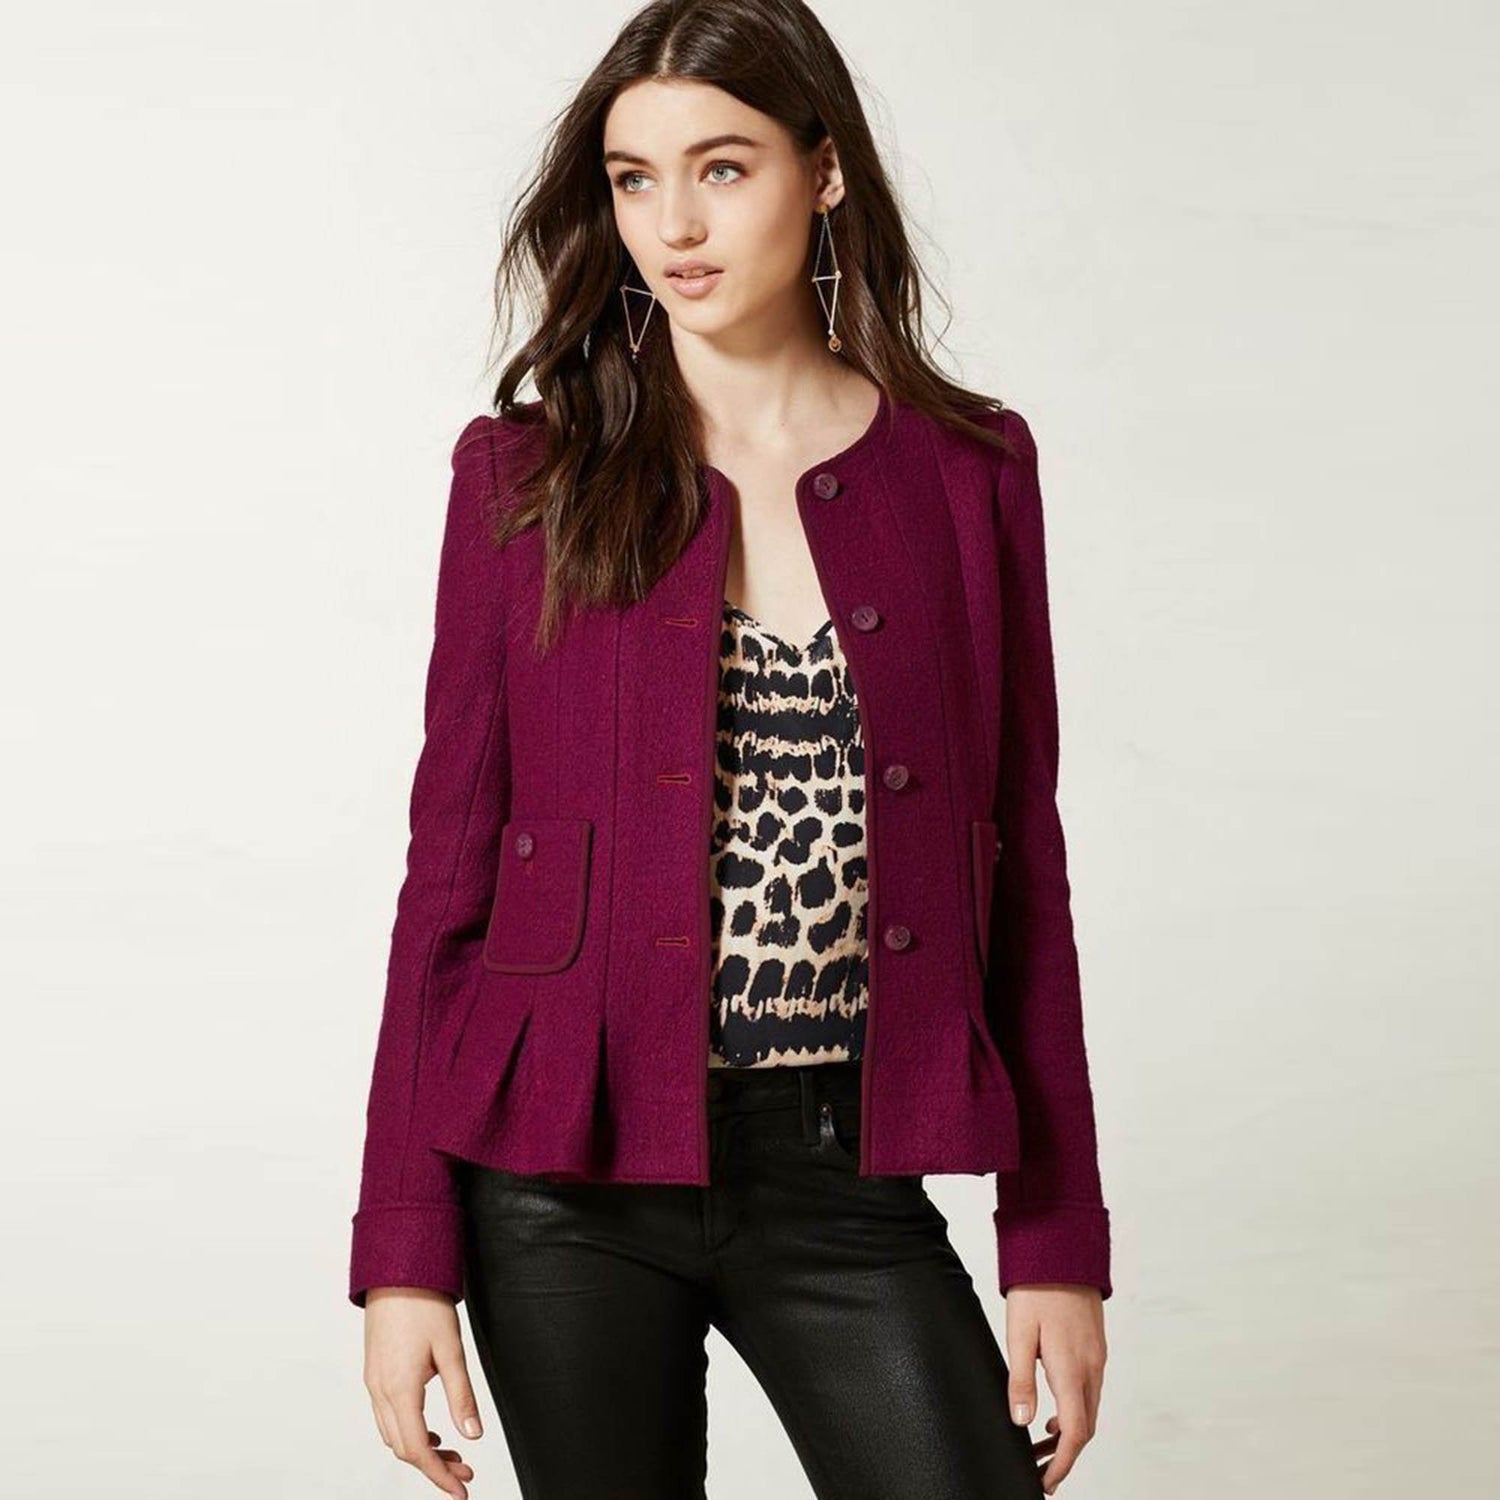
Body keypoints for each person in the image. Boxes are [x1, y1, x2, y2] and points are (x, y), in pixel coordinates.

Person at [349, 3, 1111, 1497]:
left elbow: (1025, 864)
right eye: (635, 180)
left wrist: (1056, 1241)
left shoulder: (967, 473)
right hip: (558, 1176)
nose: (675, 225)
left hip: (841, 1164)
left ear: (823, 172)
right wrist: (404, 1253)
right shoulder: (526, 477)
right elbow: (447, 881)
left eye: (723, 168)